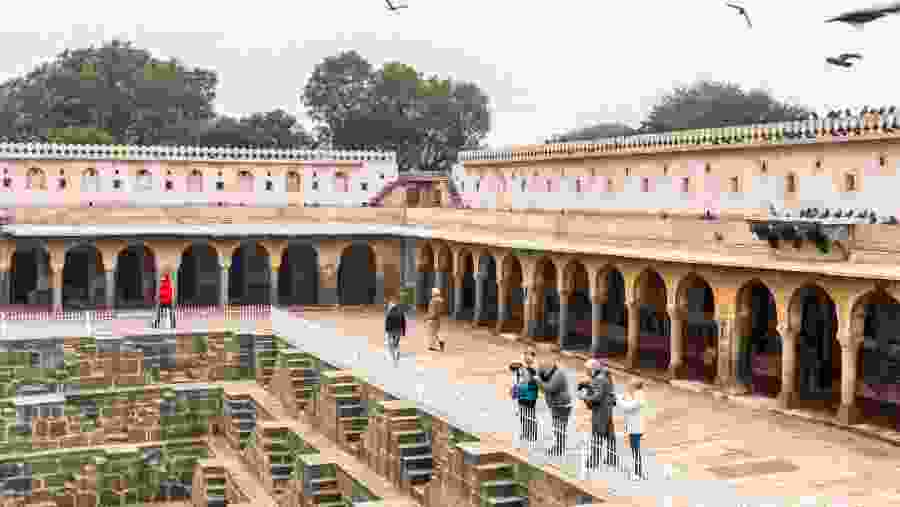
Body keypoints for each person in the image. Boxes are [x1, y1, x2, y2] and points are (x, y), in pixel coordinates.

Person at [577, 358, 616, 469]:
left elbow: (597, 397)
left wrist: (585, 397)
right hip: (607, 410)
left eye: (587, 370)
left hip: (600, 412)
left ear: (592, 369)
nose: (586, 372)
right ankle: (611, 458)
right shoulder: (604, 375)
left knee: (597, 436)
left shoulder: (599, 379)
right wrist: (586, 383)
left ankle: (593, 461)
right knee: (610, 436)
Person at [536, 348, 572, 457]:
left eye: (543, 367)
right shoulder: (547, 374)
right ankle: (558, 445)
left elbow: (549, 388)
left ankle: (560, 447)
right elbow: (542, 386)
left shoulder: (558, 374)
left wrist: (538, 381)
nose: (542, 369)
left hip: (562, 405)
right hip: (555, 405)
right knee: (556, 426)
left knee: (559, 426)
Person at [616, 379, 646, 480]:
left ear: (635, 386)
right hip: (634, 426)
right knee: (635, 450)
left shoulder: (639, 396)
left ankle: (638, 472)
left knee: (635, 450)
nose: (628, 387)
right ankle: (637, 471)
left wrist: (618, 399)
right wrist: (623, 397)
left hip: (636, 428)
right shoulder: (637, 394)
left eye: (630, 385)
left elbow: (628, 407)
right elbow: (629, 401)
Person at [384, 296, 406, 366]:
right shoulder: (401, 312)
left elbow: (387, 323)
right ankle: (398, 352)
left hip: (391, 331)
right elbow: (404, 322)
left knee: (390, 344)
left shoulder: (389, 313)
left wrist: (387, 331)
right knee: (396, 344)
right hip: (399, 331)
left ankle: (394, 359)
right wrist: (403, 332)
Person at [425, 287, 445, 352]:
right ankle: (441, 341)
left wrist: (428, 317)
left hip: (432, 318)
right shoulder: (441, 300)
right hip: (438, 318)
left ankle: (432, 346)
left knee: (431, 333)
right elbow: (441, 310)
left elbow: (432, 311)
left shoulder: (433, 300)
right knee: (436, 332)